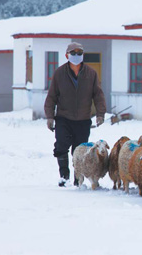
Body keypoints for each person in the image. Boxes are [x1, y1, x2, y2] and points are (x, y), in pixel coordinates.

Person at [44, 42, 106, 187]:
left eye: (79, 53)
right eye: (73, 53)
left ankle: (78, 179)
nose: (76, 56)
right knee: (61, 146)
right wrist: (49, 117)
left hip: (83, 119)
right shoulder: (59, 73)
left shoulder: (91, 74)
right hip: (63, 118)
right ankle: (64, 176)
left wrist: (100, 114)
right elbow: (52, 96)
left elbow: (98, 95)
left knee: (79, 151)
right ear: (67, 55)